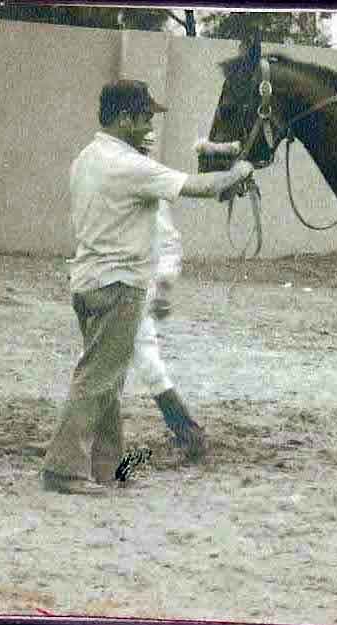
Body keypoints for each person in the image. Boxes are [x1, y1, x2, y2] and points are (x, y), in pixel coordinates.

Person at [42, 79, 253, 495]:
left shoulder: (88, 157)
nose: (148, 126)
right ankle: (63, 469)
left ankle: (106, 469)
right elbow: (201, 187)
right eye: (144, 118)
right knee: (98, 379)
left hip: (88, 281)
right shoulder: (129, 165)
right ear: (124, 118)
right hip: (118, 284)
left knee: (108, 379)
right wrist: (241, 170)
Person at [130, 132, 206, 462]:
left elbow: (169, 242)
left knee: (144, 360)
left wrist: (162, 287)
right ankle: (75, 438)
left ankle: (189, 434)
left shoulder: (147, 180)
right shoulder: (116, 172)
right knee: (95, 360)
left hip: (135, 284)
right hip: (116, 281)